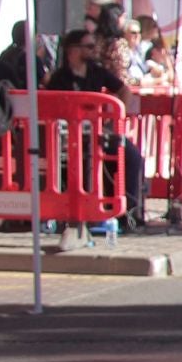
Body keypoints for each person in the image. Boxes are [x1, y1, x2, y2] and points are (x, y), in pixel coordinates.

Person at [48, 28, 148, 231]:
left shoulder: (97, 71)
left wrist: (115, 117)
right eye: (89, 46)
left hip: (99, 132)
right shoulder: (59, 77)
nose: (94, 50)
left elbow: (123, 90)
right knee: (84, 163)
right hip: (69, 137)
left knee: (132, 156)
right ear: (73, 50)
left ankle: (130, 214)